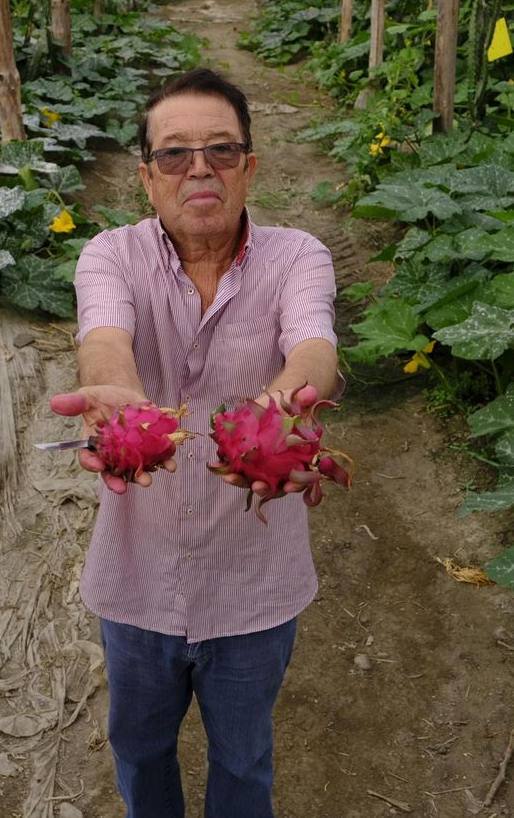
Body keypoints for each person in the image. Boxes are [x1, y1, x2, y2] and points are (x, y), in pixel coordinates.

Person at [48, 68, 342, 818]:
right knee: (140, 747)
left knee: (243, 760)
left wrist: (287, 400)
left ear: (250, 166)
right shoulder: (110, 255)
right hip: (137, 575)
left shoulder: (298, 255)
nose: (199, 167)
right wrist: (115, 394)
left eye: (220, 149)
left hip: (255, 582)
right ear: (147, 178)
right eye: (175, 154)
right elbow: (104, 338)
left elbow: (315, 347)